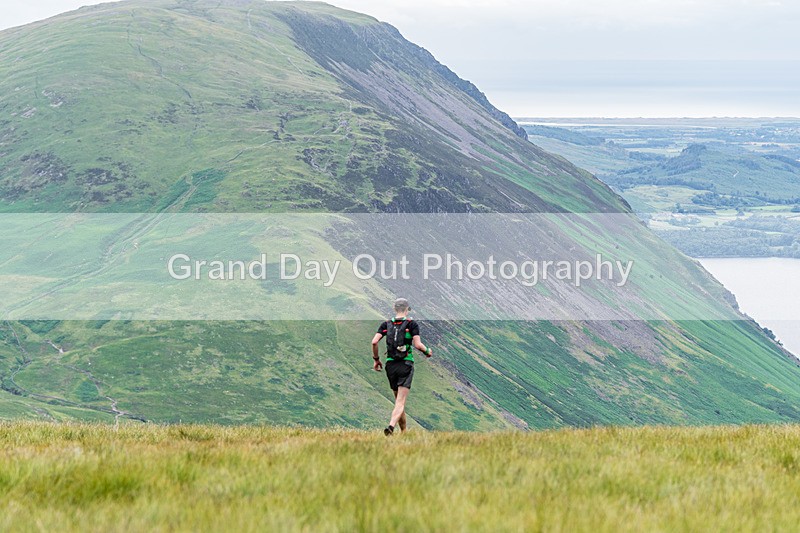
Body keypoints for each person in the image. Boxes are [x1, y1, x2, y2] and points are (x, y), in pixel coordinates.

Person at [371, 297, 432, 436]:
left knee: (399, 400)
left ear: (394, 308)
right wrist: (427, 351)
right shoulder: (412, 324)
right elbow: (417, 345)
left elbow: (374, 342)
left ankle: (404, 432)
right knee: (400, 402)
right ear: (406, 309)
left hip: (390, 365)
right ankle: (391, 426)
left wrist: (376, 360)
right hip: (405, 364)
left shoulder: (386, 324)